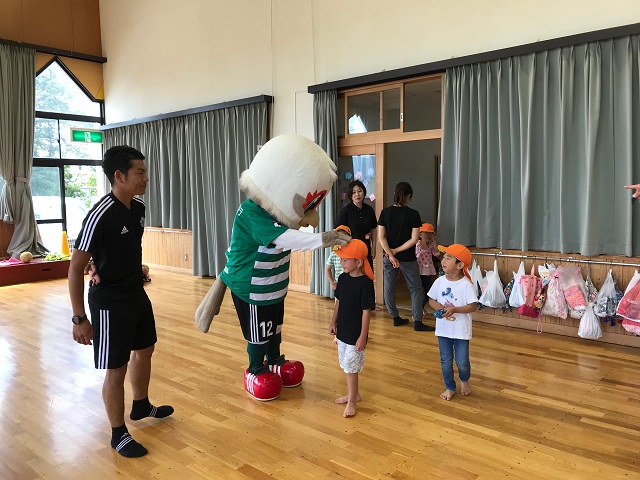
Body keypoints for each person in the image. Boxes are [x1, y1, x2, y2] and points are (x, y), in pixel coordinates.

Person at [68, 145, 174, 458]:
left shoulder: (137, 208)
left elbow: (119, 248)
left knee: (145, 349)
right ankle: (118, 434)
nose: (146, 178)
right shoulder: (100, 214)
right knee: (117, 367)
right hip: (109, 301)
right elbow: (75, 267)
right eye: (140, 172)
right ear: (119, 176)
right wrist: (79, 318)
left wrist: (131, 267)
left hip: (135, 293)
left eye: (145, 172)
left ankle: (141, 405)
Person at [378, 181, 434, 331]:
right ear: (409, 196)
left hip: (388, 257)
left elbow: (381, 237)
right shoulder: (414, 214)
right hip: (408, 258)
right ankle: (418, 322)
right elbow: (414, 240)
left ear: (394, 194)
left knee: (389, 287)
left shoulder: (385, 212)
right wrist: (396, 251)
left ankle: (395, 317)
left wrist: (391, 254)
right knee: (416, 289)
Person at [329, 239, 375, 417]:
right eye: (341, 259)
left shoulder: (365, 284)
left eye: (345, 260)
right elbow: (338, 302)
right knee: (345, 364)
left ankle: (352, 401)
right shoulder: (342, 278)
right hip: (343, 331)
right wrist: (333, 322)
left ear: (359, 262)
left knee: (351, 367)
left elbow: (366, 312)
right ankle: (354, 394)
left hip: (356, 334)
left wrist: (363, 336)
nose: (342, 263)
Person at [427, 244, 478, 401]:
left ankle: (464, 379)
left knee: (462, 362)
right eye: (444, 257)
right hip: (443, 330)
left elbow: (472, 306)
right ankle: (450, 387)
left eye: (448, 258)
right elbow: (431, 300)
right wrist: (436, 305)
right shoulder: (439, 281)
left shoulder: (466, 284)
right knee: (446, 361)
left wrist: (455, 309)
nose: (443, 261)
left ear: (460, 265)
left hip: (461, 331)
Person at [336, 180, 378, 268]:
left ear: (364, 192)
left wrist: (374, 246)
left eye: (359, 191)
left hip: (366, 249)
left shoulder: (369, 210)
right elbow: (338, 231)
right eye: (354, 192)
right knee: (354, 274)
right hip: (350, 251)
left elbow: (373, 228)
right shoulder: (345, 211)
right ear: (350, 195)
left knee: (368, 273)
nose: (357, 195)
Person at [416, 223, 440, 313]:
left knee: (429, 291)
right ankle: (417, 309)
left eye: (431, 234)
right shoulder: (418, 243)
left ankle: (420, 306)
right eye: (426, 233)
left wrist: (434, 242)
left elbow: (437, 254)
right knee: (418, 291)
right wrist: (423, 239)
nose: (428, 236)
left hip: (427, 271)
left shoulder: (430, 244)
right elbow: (422, 250)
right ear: (420, 234)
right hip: (419, 270)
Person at [325, 225, 352, 291]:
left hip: (352, 283)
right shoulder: (333, 254)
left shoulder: (352, 254)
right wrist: (332, 283)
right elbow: (328, 269)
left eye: (344, 238)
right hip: (339, 284)